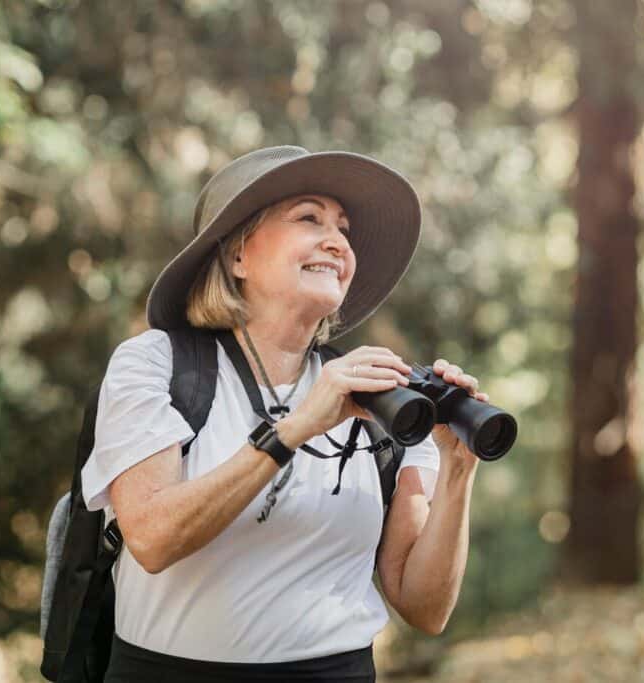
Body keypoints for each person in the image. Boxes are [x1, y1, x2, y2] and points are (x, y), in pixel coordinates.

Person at [80, 145, 487, 682]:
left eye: (343, 228)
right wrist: (294, 428)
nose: (337, 240)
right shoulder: (156, 363)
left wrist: (457, 469)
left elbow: (425, 609)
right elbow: (152, 540)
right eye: (308, 218)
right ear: (237, 257)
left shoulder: (385, 395)